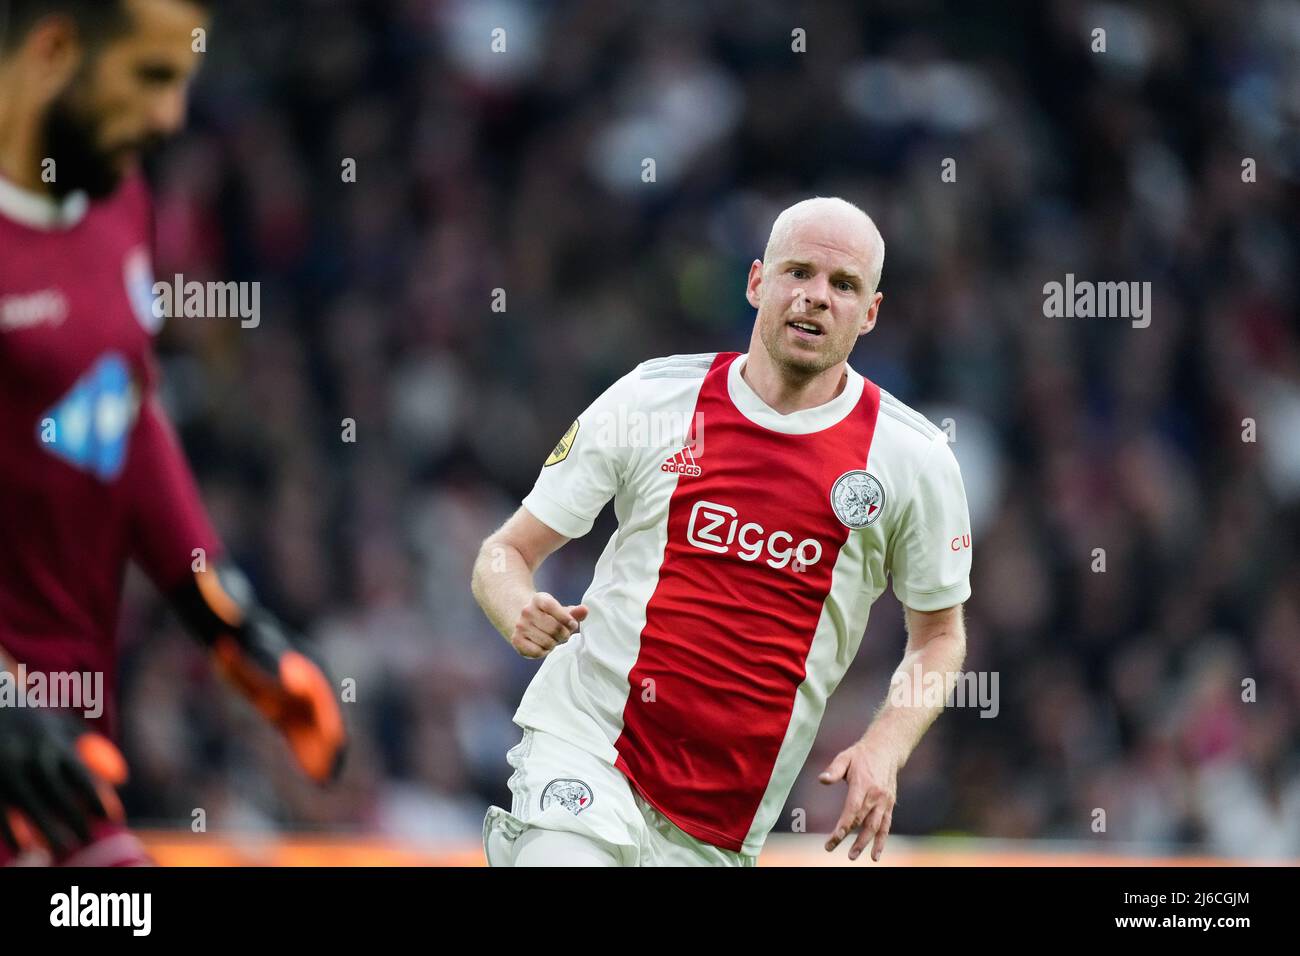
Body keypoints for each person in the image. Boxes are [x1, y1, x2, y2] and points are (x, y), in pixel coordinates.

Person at [472, 196, 973, 866]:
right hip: (589, 746)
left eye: (843, 285)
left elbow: (938, 637)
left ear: (870, 313)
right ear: (757, 282)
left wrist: (884, 749)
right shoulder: (651, 401)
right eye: (799, 273)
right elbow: (504, 552)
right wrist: (516, 611)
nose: (816, 297)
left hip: (721, 825)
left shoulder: (913, 460)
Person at [0, 0, 345, 866]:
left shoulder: (117, 200)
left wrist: (223, 610)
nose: (168, 117)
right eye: (149, 78)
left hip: (62, 763)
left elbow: (125, 407)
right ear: (52, 52)